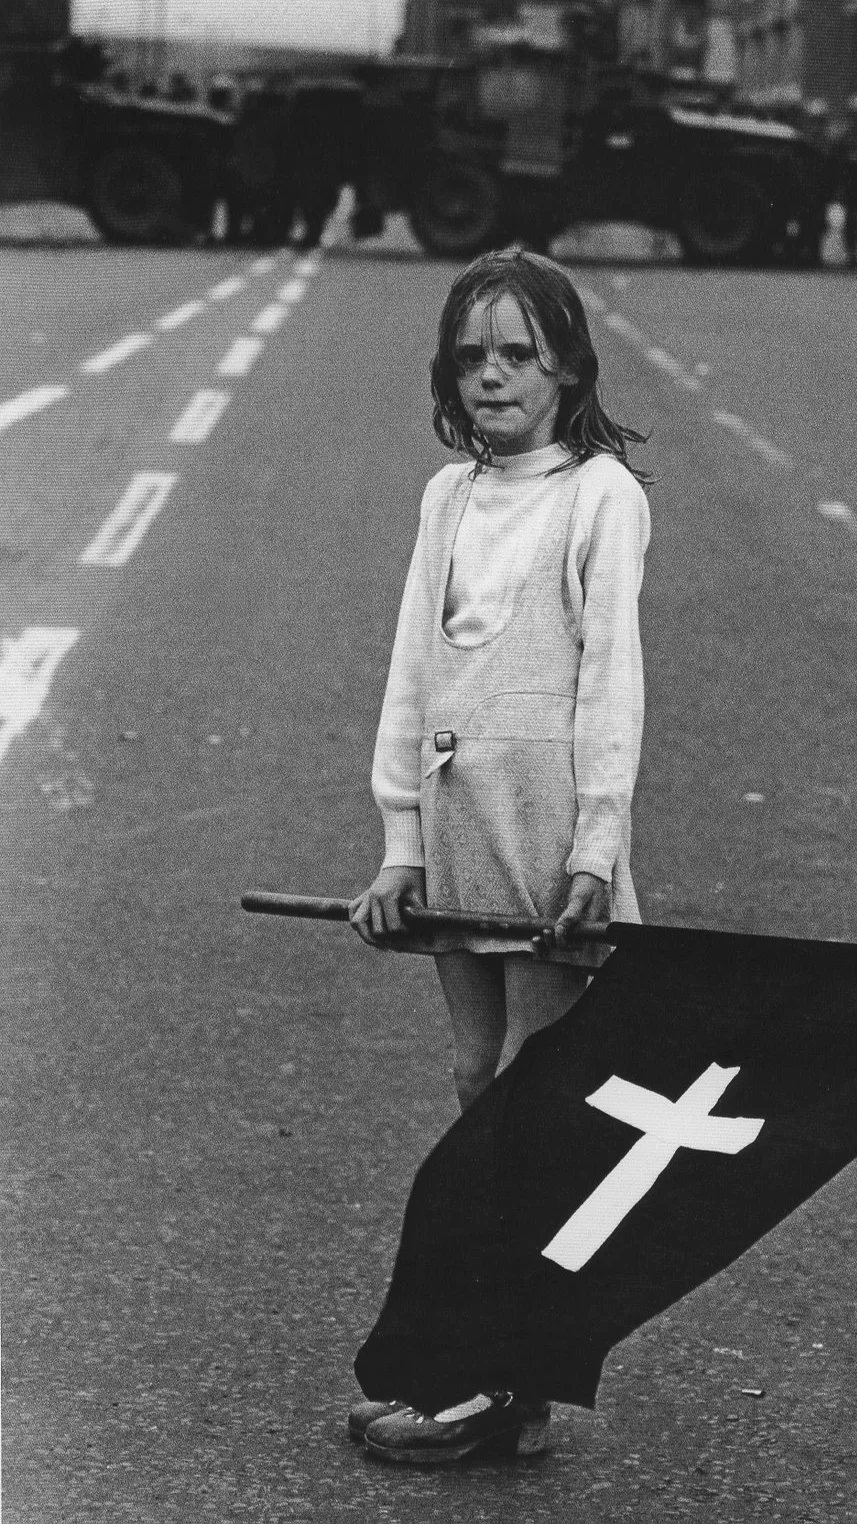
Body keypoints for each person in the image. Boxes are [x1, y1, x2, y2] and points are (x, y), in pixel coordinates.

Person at [346, 246, 652, 1463]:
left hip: (545, 827)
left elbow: (612, 682)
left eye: (519, 353)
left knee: (530, 1100)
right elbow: (412, 670)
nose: (492, 376)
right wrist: (398, 845)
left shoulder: (600, 496)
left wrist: (596, 848)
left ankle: (498, 1381)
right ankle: (483, 1372)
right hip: (457, 814)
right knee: (480, 1084)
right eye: (471, 355)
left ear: (567, 365)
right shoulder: (447, 496)